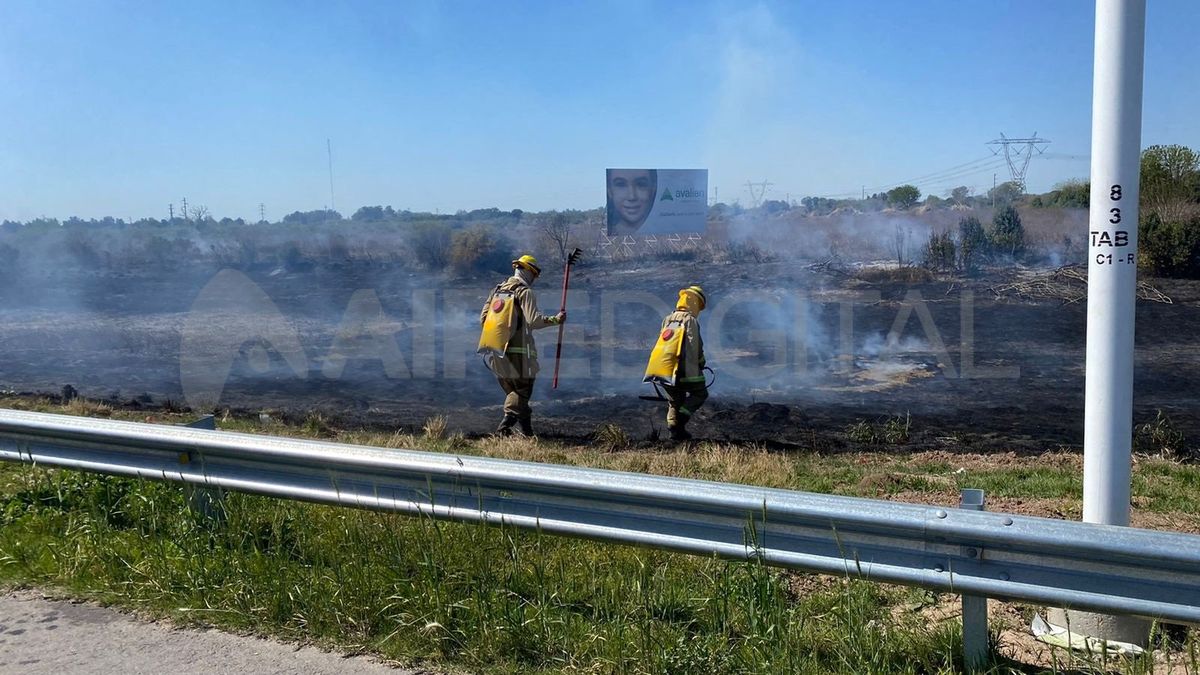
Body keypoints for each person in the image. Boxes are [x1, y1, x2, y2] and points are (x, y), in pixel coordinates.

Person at [478, 254, 564, 436]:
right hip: (520, 354)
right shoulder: (524, 292)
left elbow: (483, 319)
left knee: (516, 394)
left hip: (496, 352)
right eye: (533, 274)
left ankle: (527, 433)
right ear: (526, 271)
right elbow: (533, 321)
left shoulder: (497, 290)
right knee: (523, 391)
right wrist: (555, 320)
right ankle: (504, 428)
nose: (533, 278)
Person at [647, 285, 708, 441]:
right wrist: (701, 362)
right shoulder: (690, 320)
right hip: (686, 370)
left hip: (665, 369)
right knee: (700, 393)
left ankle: (675, 432)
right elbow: (695, 345)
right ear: (695, 304)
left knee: (674, 400)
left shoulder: (668, 319)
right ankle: (680, 419)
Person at [606, 168, 658, 236]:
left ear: (653, 189)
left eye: (641, 184)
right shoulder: (607, 233)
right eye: (621, 184)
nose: (632, 197)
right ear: (609, 191)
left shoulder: (664, 231)